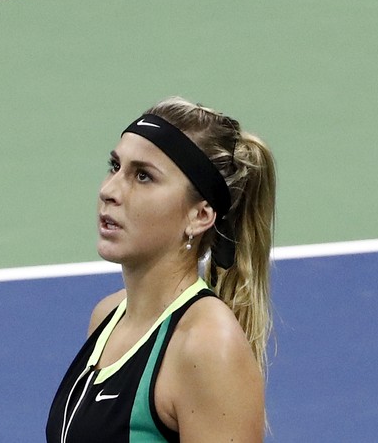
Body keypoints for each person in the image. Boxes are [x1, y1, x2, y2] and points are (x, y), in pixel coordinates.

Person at [46, 96, 276, 443]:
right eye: (115, 166)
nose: (109, 191)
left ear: (199, 215)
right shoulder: (107, 317)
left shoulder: (207, 347)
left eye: (143, 176)